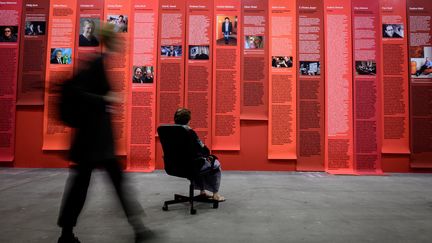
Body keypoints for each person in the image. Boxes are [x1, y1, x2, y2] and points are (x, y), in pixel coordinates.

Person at [57, 23, 152, 243]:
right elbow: (78, 93)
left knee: (98, 185)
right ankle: (137, 229)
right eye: (120, 39)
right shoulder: (97, 62)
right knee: (88, 186)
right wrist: (105, 99)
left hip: (96, 141)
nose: (123, 43)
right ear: (112, 40)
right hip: (93, 141)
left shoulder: (101, 62)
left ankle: (137, 228)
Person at [174, 108, 225, 202]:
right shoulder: (189, 132)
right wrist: (208, 154)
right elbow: (203, 148)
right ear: (189, 120)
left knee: (197, 164)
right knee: (215, 164)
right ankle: (216, 194)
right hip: (191, 166)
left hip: (174, 166)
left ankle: (202, 192)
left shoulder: (169, 131)